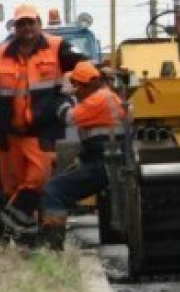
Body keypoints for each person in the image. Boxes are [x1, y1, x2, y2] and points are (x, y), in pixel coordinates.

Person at [0, 3, 83, 240]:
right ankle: (26, 240)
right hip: (9, 134)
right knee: (12, 186)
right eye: (21, 23)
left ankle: (7, 225)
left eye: (30, 22)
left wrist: (91, 79)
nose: (26, 28)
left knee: (37, 180)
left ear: (39, 24)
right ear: (15, 27)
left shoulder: (57, 47)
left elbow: (83, 66)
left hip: (41, 131)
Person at [39, 60, 127, 249]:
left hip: (104, 164)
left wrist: (61, 97)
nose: (75, 93)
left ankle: (53, 248)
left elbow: (69, 117)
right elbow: (99, 138)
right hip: (106, 160)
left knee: (54, 190)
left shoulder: (98, 99)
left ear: (85, 84)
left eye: (76, 87)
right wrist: (81, 160)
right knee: (59, 185)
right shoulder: (104, 96)